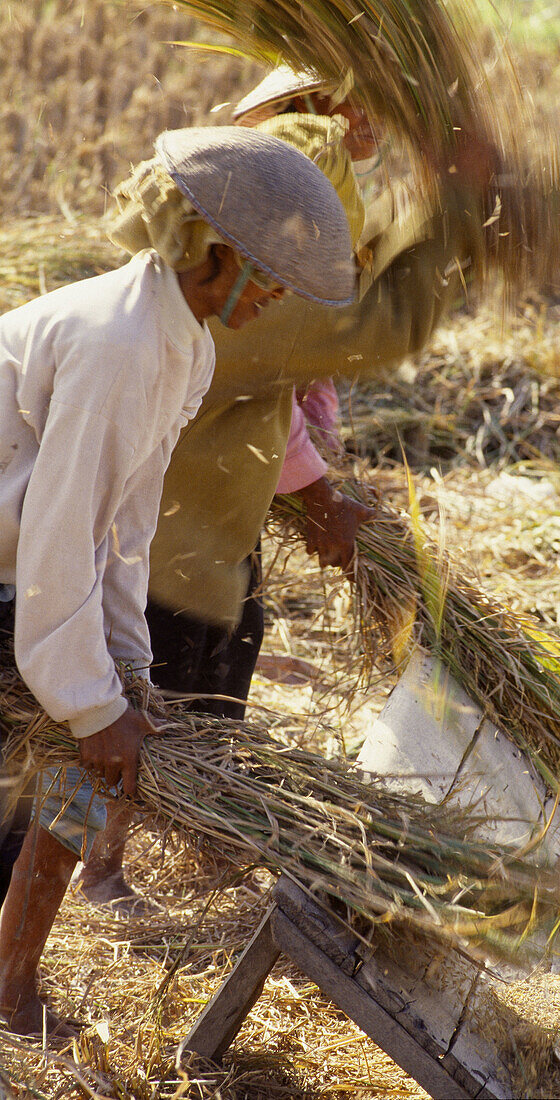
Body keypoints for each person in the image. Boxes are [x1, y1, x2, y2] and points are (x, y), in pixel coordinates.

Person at [75, 66, 492, 910]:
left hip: (207, 507)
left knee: (209, 670)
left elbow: (291, 373)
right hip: (167, 516)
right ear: (328, 102)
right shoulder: (294, 165)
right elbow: (310, 338)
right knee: (120, 699)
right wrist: (459, 215)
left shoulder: (304, 185)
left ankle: (175, 851)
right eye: (366, 107)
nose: (375, 127)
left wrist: (317, 480)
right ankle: (96, 869)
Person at [0, 123, 355, 1037]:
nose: (275, 295)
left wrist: (126, 669)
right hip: (15, 564)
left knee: (89, 766)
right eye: (266, 271)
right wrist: (89, 702)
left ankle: (11, 976)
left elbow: (124, 521)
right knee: (69, 755)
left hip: (27, 567)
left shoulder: (182, 343)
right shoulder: (118, 342)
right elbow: (59, 530)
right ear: (208, 249)